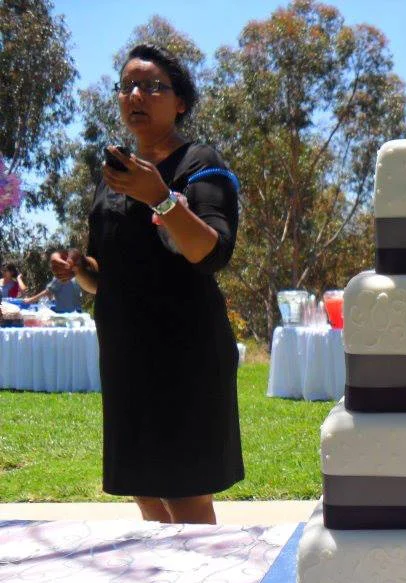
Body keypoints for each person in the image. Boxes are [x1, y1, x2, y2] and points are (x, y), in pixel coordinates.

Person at [68, 43, 243, 523]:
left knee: (185, 495)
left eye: (151, 86)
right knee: (143, 490)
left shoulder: (201, 164)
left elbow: (212, 252)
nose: (135, 95)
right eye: (127, 86)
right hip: (126, 353)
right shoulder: (115, 178)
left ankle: (205, 575)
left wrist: (161, 198)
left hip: (184, 353)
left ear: (180, 102)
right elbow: (105, 278)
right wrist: (78, 268)